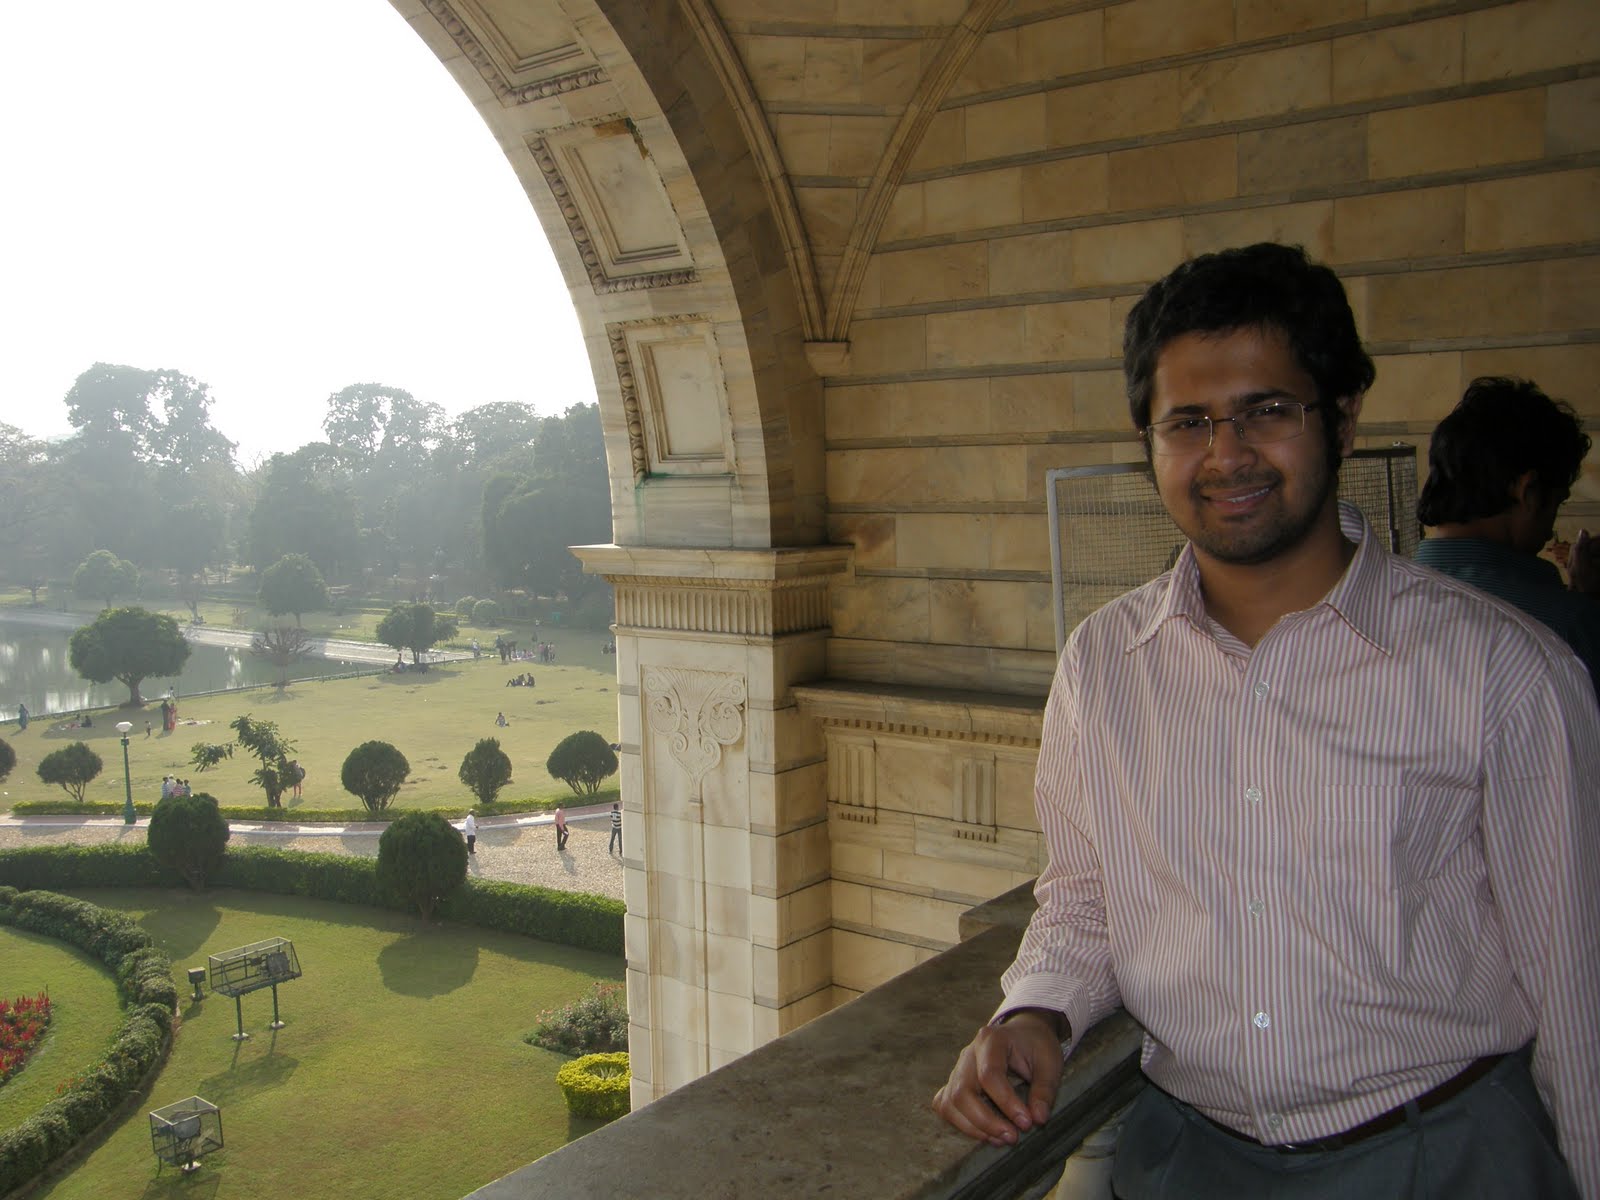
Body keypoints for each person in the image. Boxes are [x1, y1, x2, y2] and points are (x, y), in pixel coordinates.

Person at [931, 243, 1599, 1199]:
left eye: (1268, 412)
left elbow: (1580, 990)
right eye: (1188, 422)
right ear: (1148, 440)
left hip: (1442, 1157)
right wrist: (1036, 1011)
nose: (1227, 454)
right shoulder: (1103, 665)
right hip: (1192, 1161)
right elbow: (1085, 896)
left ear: (1344, 416)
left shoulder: (1503, 670)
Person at [1414, 376, 1600, 695]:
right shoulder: (1568, 625)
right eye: (1557, 503)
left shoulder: (1372, 607)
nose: (1550, 529)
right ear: (1528, 491)